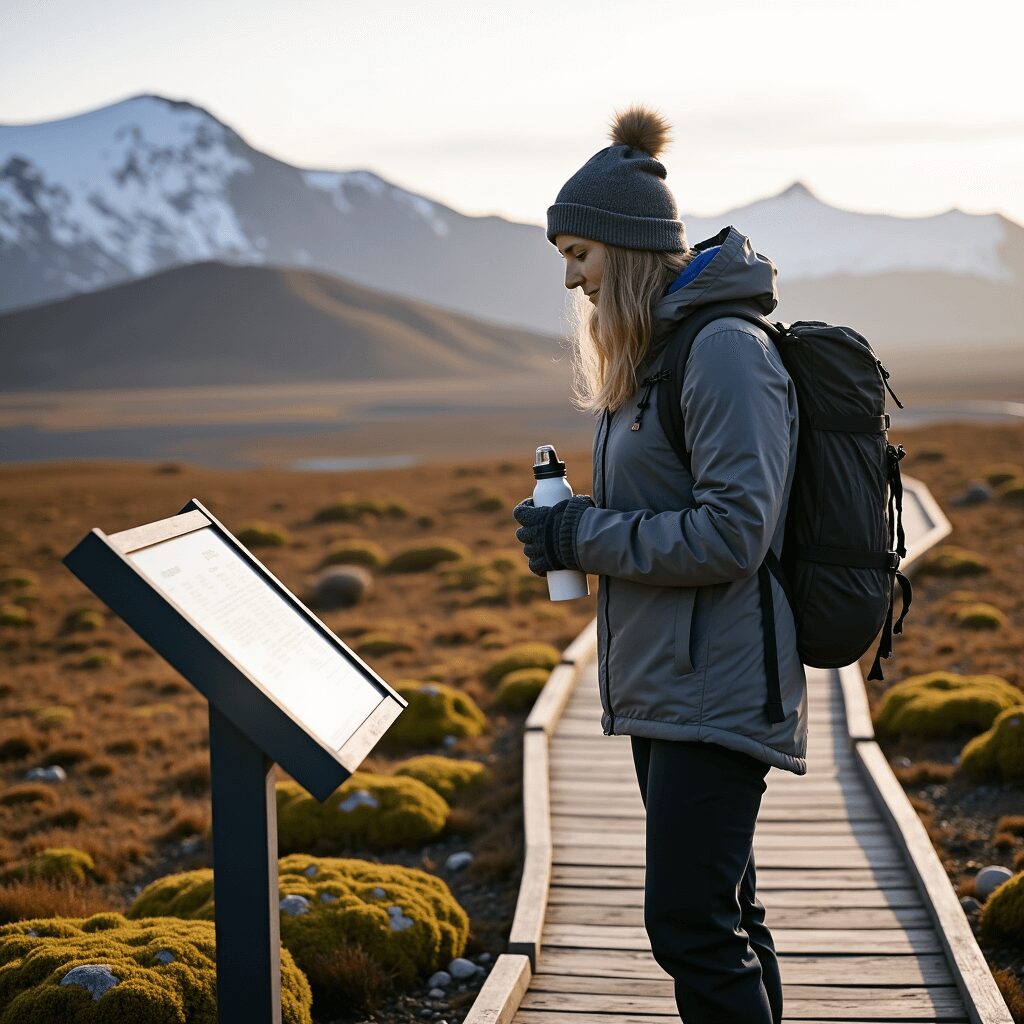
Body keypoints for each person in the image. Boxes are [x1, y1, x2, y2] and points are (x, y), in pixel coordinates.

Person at [512, 103, 807, 1024]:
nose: (572, 279)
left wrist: (581, 537)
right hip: (672, 681)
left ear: (631, 248)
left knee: (687, 924)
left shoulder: (721, 352)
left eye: (581, 255)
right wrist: (573, 529)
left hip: (719, 683)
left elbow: (732, 535)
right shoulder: (656, 359)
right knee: (721, 917)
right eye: (563, 257)